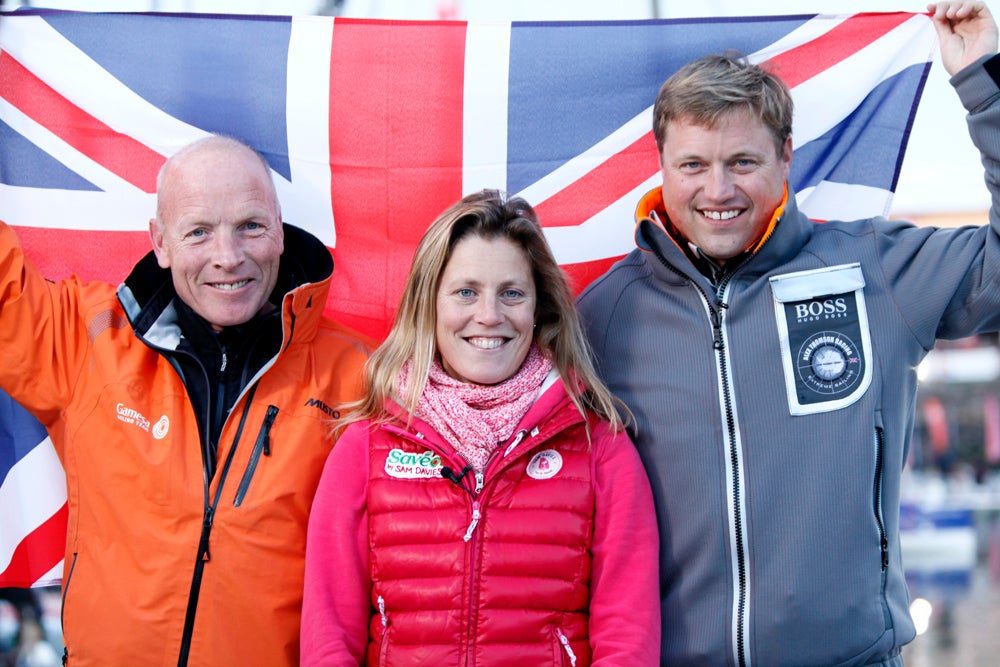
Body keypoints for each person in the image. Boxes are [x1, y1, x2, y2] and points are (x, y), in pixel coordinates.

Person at [576, 2, 1000, 665]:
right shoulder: (602, 316)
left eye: (742, 161)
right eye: (693, 165)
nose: (718, 188)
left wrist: (981, 75)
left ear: (785, 158)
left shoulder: (874, 272)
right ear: (660, 164)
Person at [0, 135, 372, 666]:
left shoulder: (364, 376)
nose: (229, 257)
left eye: (250, 225)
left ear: (281, 229)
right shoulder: (89, 340)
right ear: (160, 242)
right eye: (198, 231)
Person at [300, 189, 660, 666]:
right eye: (466, 291)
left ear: (539, 309)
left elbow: (627, 640)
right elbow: (329, 637)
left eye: (511, 293)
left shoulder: (600, 446)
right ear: (429, 303)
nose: (489, 316)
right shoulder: (365, 447)